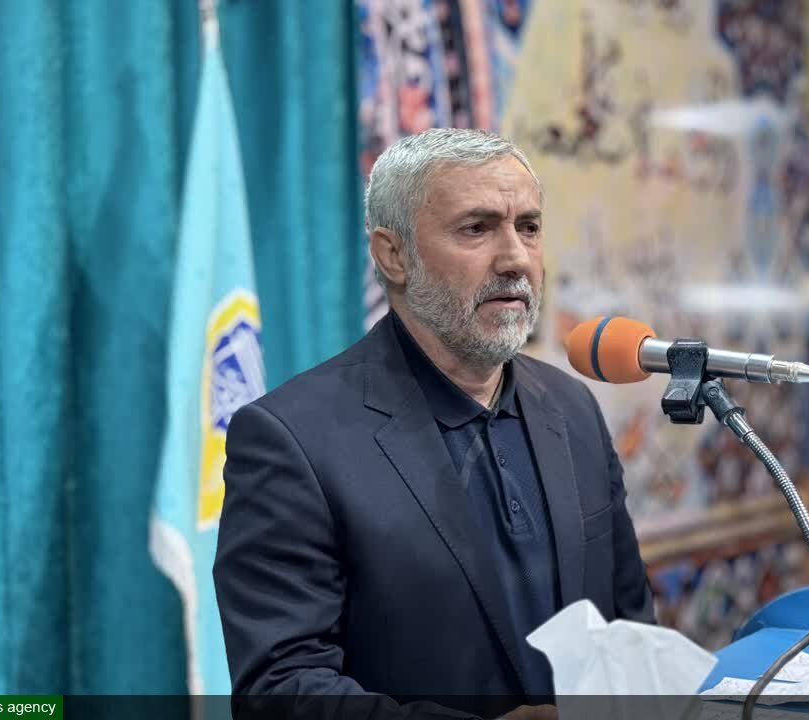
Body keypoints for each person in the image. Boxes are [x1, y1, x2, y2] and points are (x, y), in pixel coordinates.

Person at [214, 128, 655, 719]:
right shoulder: (292, 441)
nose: (515, 258)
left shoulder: (571, 407)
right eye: (476, 228)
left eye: (528, 227)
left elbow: (631, 627)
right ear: (393, 255)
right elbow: (281, 690)